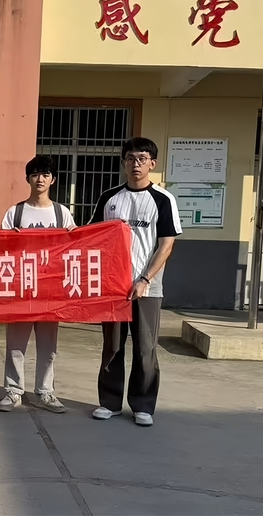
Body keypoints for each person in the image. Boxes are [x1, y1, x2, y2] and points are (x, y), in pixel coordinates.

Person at [89, 137, 181, 427]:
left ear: (152, 163)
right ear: (123, 162)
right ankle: (109, 402)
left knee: (145, 348)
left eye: (142, 159)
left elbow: (166, 245)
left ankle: (143, 405)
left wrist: (144, 279)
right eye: (130, 158)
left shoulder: (163, 199)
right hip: (113, 288)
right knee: (112, 346)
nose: (135, 164)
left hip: (147, 288)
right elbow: (91, 237)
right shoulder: (110, 198)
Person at [0, 155, 76, 413]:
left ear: (53, 180)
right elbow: (0, 250)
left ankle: (45, 392)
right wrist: (10, 240)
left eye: (45, 174)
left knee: (48, 347)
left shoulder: (61, 213)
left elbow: (75, 247)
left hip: (51, 291)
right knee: (15, 345)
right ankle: (13, 391)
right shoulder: (15, 213)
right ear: (27, 179)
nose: (39, 179)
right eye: (34, 174)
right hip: (22, 290)